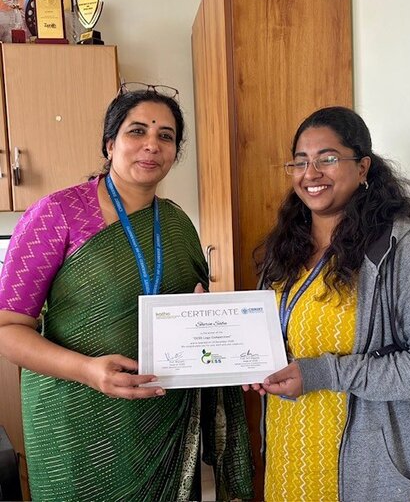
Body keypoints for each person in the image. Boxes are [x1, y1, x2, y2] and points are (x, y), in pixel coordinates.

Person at [0, 85, 253, 501]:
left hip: (160, 415)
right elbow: (8, 329)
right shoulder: (57, 214)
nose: (152, 145)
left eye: (166, 136)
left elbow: (190, 314)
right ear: (110, 143)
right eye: (137, 131)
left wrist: (205, 319)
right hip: (76, 421)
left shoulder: (177, 223)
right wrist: (88, 370)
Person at [246, 106, 410, 501]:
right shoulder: (285, 252)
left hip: (372, 477)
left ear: (363, 167)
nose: (311, 173)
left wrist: (327, 373)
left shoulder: (403, 252)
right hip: (291, 458)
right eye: (300, 161)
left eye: (328, 159)